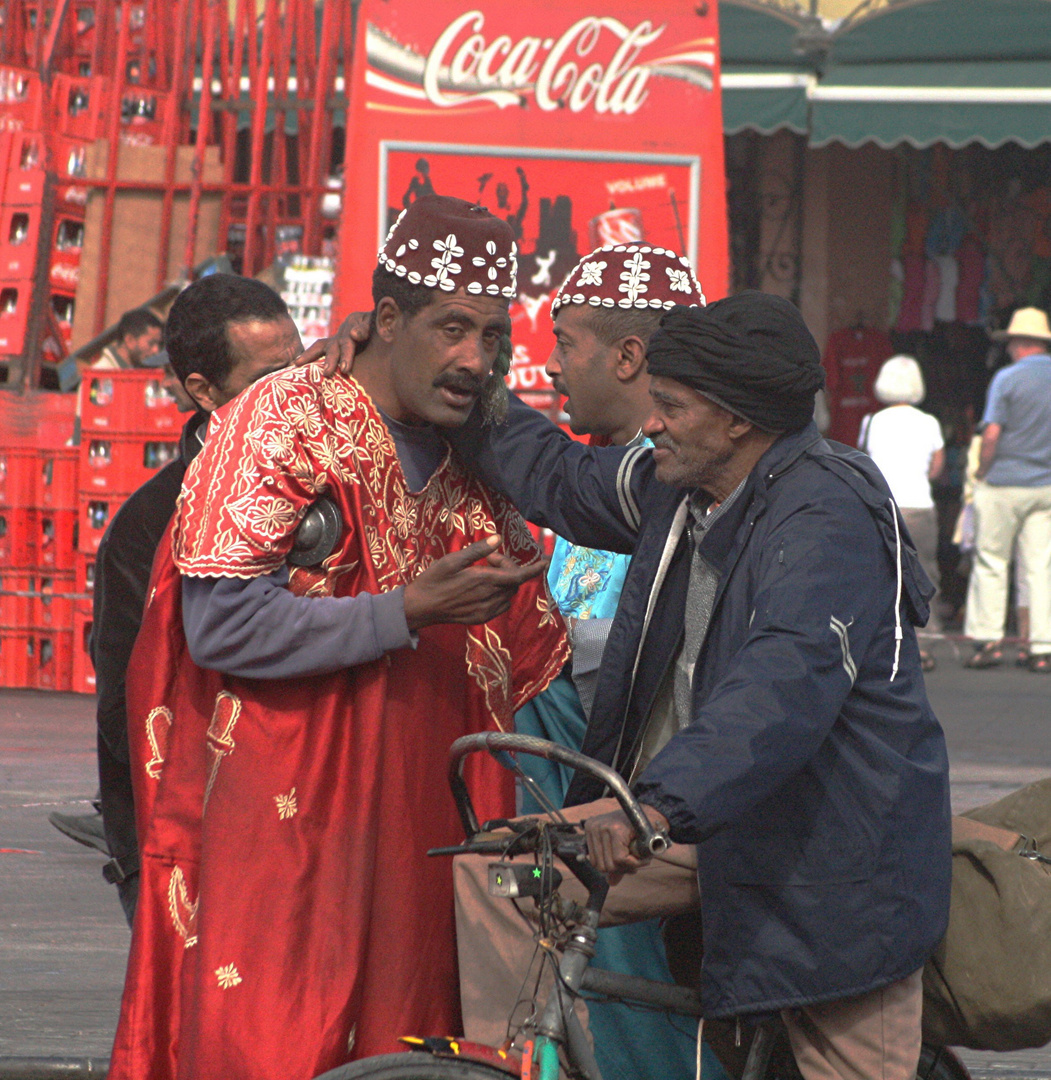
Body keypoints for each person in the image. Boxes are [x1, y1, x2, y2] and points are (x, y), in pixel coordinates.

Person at [107, 197, 569, 1080]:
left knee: (414, 1056)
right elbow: (221, 620)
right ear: (386, 320)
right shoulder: (279, 418)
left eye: (492, 336)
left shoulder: (478, 455)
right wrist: (401, 612)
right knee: (275, 1048)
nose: (474, 358)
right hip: (284, 845)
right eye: (451, 328)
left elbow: (537, 654)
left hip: (424, 847)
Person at [450, 292, 952, 1080]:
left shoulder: (827, 513)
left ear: (737, 420)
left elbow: (780, 688)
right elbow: (559, 474)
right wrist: (466, 383)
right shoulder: (679, 489)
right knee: (505, 870)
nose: (650, 422)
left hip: (830, 856)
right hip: (706, 819)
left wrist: (653, 804)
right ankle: (514, 1064)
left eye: (672, 407)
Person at [515, 245, 716, 1080]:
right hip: (602, 813)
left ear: (627, 356)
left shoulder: (674, 482)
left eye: (565, 343)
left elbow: (634, 668)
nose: (554, 366)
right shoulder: (616, 469)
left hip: (647, 818)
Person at [90, 283, 304, 925]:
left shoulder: (331, 483)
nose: (296, 394)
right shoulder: (148, 530)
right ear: (204, 391)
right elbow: (125, 718)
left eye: (301, 367)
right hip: (193, 841)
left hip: (308, 827)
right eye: (271, 378)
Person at [964, 306, 1051, 672]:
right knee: (1041, 566)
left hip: (1003, 484)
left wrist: (982, 472)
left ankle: (989, 642)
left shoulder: (1006, 378)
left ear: (1017, 343)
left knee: (992, 562)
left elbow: (992, 435)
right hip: (1045, 484)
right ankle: (1042, 648)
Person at [858, 355, 944, 671]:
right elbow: (936, 468)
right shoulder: (929, 422)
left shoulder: (872, 421)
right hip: (919, 506)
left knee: (881, 576)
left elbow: (865, 463)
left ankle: (881, 644)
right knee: (925, 574)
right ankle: (925, 644)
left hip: (882, 508)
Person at [91, 307, 164, 369]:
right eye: (151, 343)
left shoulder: (149, 377)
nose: (156, 350)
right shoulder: (99, 378)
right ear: (130, 340)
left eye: (159, 344)